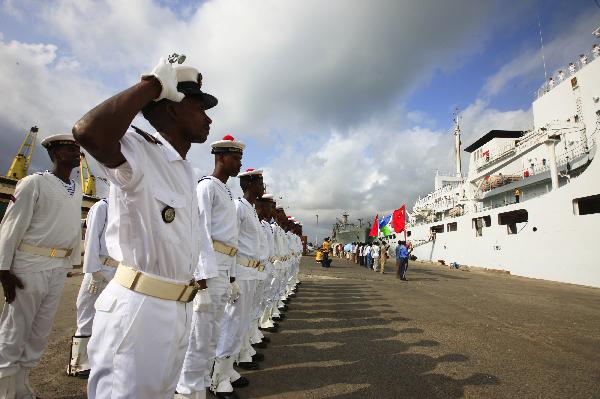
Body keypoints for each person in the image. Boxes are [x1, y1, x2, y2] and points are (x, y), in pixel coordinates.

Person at [73, 59, 215, 398]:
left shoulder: (184, 172)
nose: (208, 118)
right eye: (198, 107)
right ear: (173, 110)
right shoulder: (139, 150)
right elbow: (88, 132)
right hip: (139, 310)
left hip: (177, 309)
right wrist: (154, 83)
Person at [0, 134, 82, 397]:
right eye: (70, 148)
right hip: (30, 265)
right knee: (15, 329)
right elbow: (11, 227)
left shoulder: (77, 187)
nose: (77, 152)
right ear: (56, 153)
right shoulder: (34, 183)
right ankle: (4, 388)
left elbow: (71, 230)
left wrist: (72, 262)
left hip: (58, 267)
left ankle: (21, 385)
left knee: (38, 333)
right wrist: (3, 270)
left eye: (77, 148)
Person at [177, 135, 244, 399]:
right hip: (210, 267)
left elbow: (232, 239)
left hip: (224, 267)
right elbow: (199, 232)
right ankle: (187, 389)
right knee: (199, 334)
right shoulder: (206, 187)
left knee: (213, 332)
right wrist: (201, 278)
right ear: (220, 158)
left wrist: (232, 277)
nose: (239, 163)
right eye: (235, 158)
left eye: (240, 158)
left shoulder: (226, 191)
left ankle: (202, 384)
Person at [213, 168, 265, 389]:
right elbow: (232, 243)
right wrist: (231, 277)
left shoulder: (250, 209)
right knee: (231, 323)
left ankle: (227, 369)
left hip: (251, 273)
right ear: (250, 183)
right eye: (261, 182)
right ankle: (218, 377)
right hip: (240, 273)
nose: (263, 187)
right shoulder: (238, 207)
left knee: (241, 323)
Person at [68, 198, 118, 379]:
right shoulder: (102, 206)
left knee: (108, 317)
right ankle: (78, 363)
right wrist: (94, 272)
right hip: (100, 267)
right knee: (87, 313)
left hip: (118, 271)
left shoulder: (126, 206)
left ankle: (97, 360)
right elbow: (91, 241)